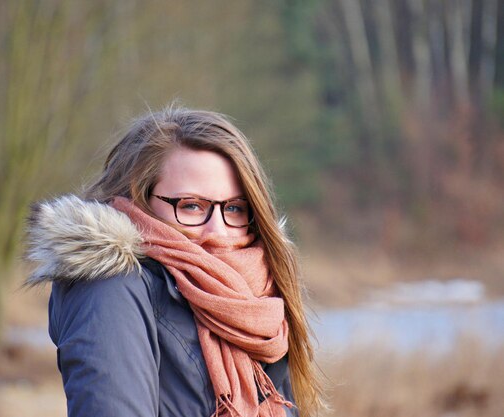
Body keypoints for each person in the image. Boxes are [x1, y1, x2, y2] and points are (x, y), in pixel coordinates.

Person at [26, 105, 322, 417]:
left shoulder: (259, 301)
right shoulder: (112, 288)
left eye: (234, 208)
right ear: (138, 199)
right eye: (192, 206)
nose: (217, 231)